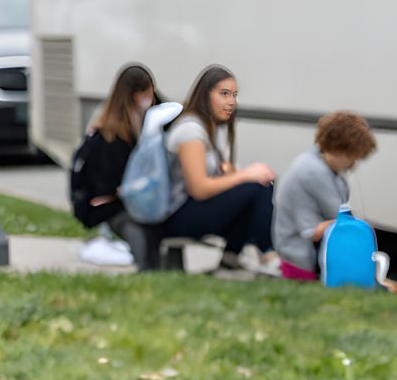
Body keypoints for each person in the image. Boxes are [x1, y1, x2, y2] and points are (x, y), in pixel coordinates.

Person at [163, 65, 281, 275]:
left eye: (234, 95)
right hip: (176, 216)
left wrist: (235, 174)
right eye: (224, 94)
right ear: (204, 94)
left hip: (191, 209)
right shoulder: (190, 130)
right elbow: (199, 189)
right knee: (256, 188)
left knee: (258, 184)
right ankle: (267, 255)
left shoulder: (208, 129)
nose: (232, 102)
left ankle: (231, 257)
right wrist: (245, 176)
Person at [70, 64, 160, 267]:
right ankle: (150, 266)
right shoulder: (114, 136)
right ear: (138, 94)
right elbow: (113, 182)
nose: (152, 99)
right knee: (145, 226)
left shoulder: (113, 122)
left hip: (108, 201)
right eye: (149, 93)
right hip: (109, 205)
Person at [272, 111, 378, 282]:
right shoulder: (315, 171)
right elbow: (338, 215)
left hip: (294, 249)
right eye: (353, 157)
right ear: (339, 149)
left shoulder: (314, 162)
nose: (354, 164)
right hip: (300, 256)